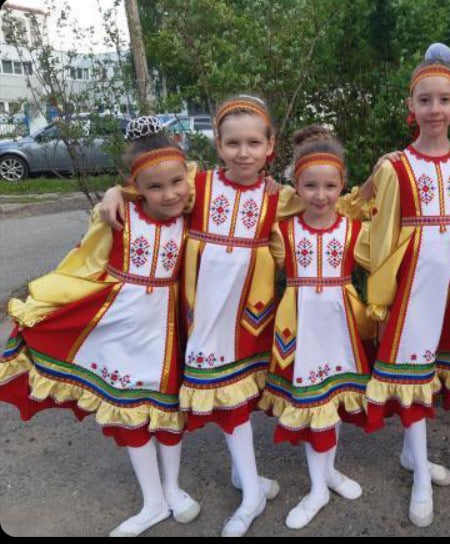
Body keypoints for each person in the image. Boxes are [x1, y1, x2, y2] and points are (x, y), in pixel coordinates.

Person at [98, 96, 299, 537]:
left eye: (253, 143)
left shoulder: (279, 198)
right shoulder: (197, 185)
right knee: (225, 401)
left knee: (236, 402)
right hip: (202, 320)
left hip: (246, 321)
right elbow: (152, 184)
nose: (242, 153)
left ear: (270, 146)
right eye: (232, 143)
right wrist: (115, 191)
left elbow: (329, 201)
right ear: (217, 145)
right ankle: (245, 481)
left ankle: (249, 488)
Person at [0, 116, 201, 537]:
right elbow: (84, 262)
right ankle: (153, 500)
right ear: (136, 187)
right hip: (119, 324)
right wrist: (115, 194)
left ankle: (173, 487)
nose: (169, 194)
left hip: (167, 329)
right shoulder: (118, 216)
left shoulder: (193, 210)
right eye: (154, 187)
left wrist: (119, 189)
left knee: (168, 410)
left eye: (175, 183)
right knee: (128, 411)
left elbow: (214, 181)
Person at [363, 43, 450, 528]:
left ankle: (410, 454)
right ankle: (421, 472)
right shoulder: (395, 167)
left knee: (434, 369)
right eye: (425, 100)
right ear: (411, 105)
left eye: (443, 99)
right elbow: (376, 231)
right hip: (415, 283)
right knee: (414, 372)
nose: (434, 109)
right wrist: (381, 295)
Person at [259, 127, 374, 529]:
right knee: (311, 405)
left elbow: (387, 258)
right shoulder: (283, 232)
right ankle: (317, 486)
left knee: (332, 403)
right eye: (310, 185)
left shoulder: (355, 231)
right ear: (297, 186)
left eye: (330, 186)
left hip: (340, 329)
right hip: (301, 331)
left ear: (342, 186)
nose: (321, 195)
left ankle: (328, 473)